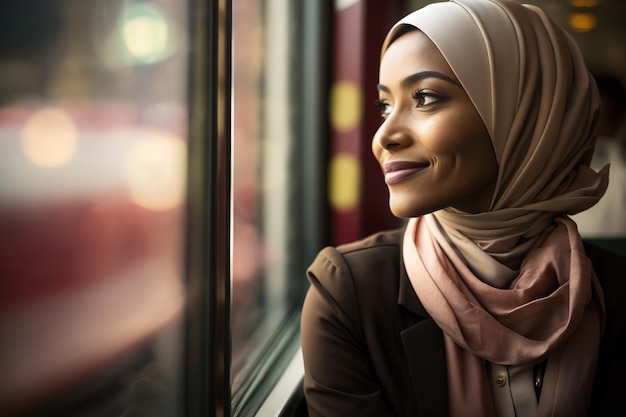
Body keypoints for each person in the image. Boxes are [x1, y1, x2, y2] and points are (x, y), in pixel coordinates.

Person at [300, 0, 626, 416]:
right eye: (385, 105)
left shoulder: (615, 299)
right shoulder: (349, 293)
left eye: (426, 97)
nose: (385, 136)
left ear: (525, 116)